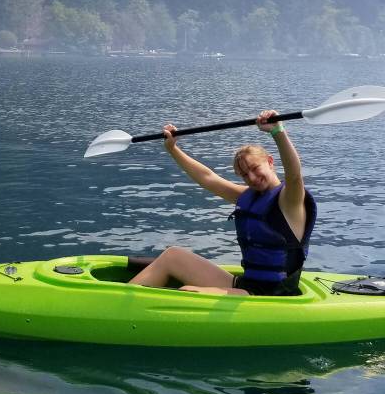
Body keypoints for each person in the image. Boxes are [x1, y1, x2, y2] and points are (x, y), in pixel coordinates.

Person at [128, 109, 317, 296]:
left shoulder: (290, 200)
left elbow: (294, 175)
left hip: (272, 294)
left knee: (188, 293)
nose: (251, 177)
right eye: (244, 174)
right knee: (173, 256)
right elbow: (207, 177)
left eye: (254, 168)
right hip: (246, 284)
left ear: (269, 161)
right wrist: (173, 149)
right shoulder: (247, 196)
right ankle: (119, 300)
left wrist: (278, 132)